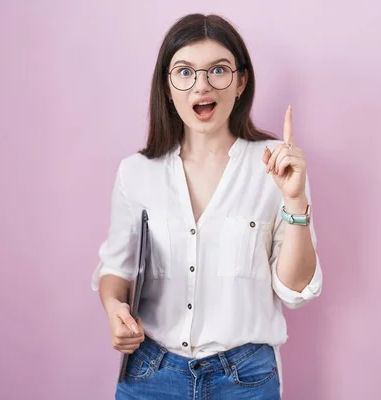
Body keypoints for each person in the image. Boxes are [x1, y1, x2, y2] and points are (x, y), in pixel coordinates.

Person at [91, 13, 323, 400]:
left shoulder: (275, 167)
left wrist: (294, 200)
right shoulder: (136, 173)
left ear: (241, 81)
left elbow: (295, 290)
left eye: (218, 70)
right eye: (184, 72)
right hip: (151, 375)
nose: (202, 85)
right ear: (167, 86)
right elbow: (117, 267)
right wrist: (114, 306)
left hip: (246, 379)